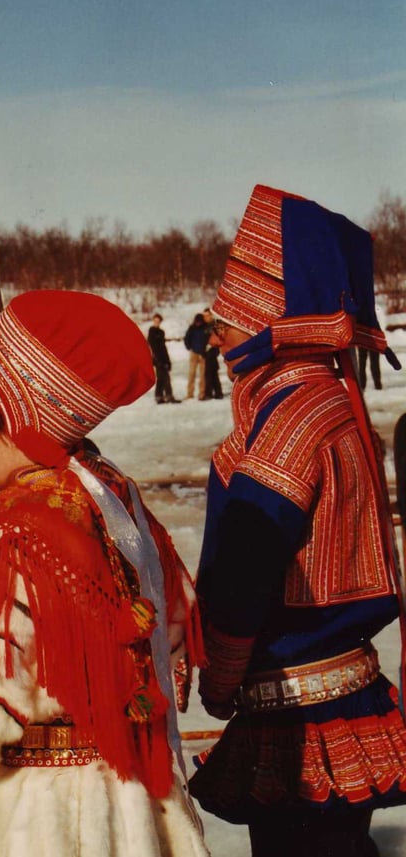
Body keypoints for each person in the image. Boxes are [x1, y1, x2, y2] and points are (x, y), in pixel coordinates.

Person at [0, 291, 209, 857]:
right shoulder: (116, 498)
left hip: (30, 823)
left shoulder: (8, 533)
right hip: (132, 810)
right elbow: (174, 631)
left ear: (13, 421)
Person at [187, 184, 406, 857]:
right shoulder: (328, 399)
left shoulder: (288, 417)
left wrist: (219, 679)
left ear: (267, 318)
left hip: (294, 704)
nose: (219, 333)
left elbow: (245, 568)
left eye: (232, 315)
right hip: (344, 684)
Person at [147, 312, 179, 403]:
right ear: (153, 321)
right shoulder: (152, 331)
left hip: (163, 357)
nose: (156, 322)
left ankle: (159, 397)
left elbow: (163, 347)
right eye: (155, 321)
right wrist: (156, 359)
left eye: (158, 321)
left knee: (161, 378)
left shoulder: (161, 332)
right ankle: (169, 396)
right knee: (165, 377)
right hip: (157, 359)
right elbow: (152, 346)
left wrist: (167, 360)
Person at [184, 313, 208, 400]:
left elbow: (209, 340)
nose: (198, 323)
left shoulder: (206, 328)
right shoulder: (192, 328)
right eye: (197, 322)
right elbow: (186, 338)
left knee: (202, 375)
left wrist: (206, 351)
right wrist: (189, 347)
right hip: (194, 353)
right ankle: (190, 393)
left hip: (203, 354)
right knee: (191, 374)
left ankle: (202, 394)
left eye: (199, 322)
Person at [201, 308, 223, 400]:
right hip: (207, 352)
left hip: (212, 351)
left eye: (207, 315)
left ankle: (209, 393)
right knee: (212, 373)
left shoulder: (214, 325)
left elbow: (218, 338)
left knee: (209, 373)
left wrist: (215, 350)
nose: (205, 317)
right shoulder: (204, 326)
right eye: (204, 316)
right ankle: (217, 393)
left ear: (211, 315)